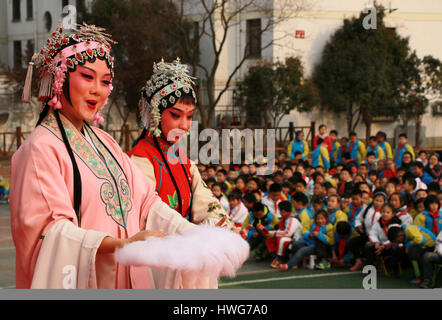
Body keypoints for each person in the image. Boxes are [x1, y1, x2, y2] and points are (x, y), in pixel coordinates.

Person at [10, 23, 204, 289]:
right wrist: (119, 245)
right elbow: (50, 232)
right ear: (59, 78)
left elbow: (147, 202)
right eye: (88, 77)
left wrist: (192, 234)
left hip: (132, 276)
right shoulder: (39, 149)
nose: (97, 90)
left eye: (105, 81)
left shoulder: (106, 143)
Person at [128, 59, 236, 288]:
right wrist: (190, 234)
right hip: (158, 266)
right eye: (176, 115)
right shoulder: (139, 160)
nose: (185, 125)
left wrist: (212, 225)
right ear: (155, 113)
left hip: (190, 261)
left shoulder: (182, 159)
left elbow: (205, 200)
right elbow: (149, 213)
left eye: (189, 116)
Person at [265, 201, 302, 268]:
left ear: (283, 211)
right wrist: (270, 233)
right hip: (290, 237)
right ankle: (276, 258)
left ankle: (280, 259)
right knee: (269, 239)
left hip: (296, 239)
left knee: (282, 240)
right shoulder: (286, 217)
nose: (279, 212)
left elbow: (288, 233)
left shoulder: (292, 219)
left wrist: (274, 234)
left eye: (279, 210)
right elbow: (281, 231)